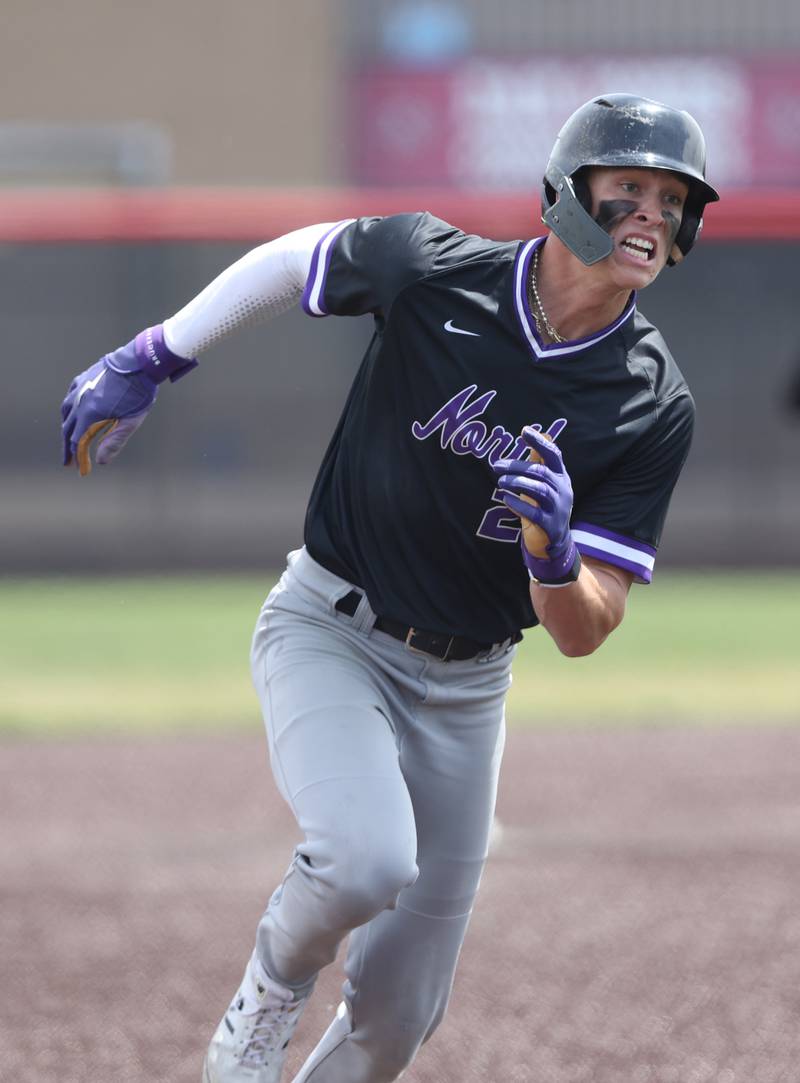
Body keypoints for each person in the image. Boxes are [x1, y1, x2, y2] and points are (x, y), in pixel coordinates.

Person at [60, 93, 719, 1083]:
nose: (649, 212)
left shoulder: (650, 399)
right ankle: (269, 994)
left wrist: (548, 557)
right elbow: (294, 262)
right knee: (364, 860)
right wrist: (156, 354)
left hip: (469, 689)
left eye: (669, 198)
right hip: (333, 626)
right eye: (625, 187)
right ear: (564, 195)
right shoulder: (433, 267)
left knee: (400, 1017)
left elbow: (587, 628)